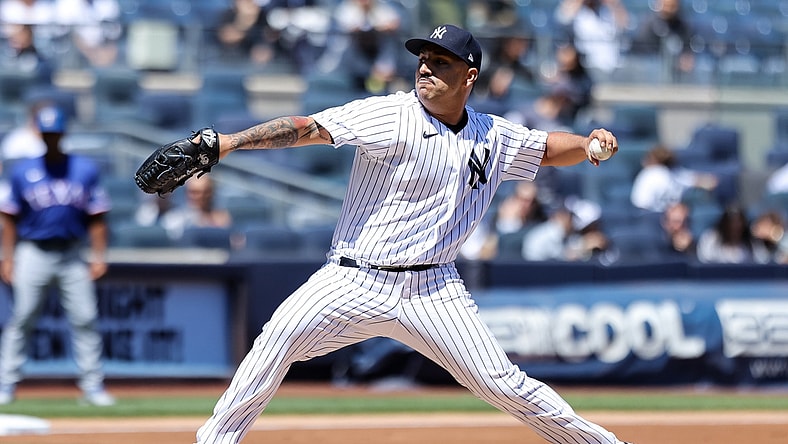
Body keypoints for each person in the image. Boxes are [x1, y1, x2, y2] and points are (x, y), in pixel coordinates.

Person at [176, 24, 628, 444]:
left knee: (505, 384)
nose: (426, 67)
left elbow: (547, 148)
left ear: (470, 76)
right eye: (423, 58)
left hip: (435, 289)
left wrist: (587, 144)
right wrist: (229, 142)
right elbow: (308, 127)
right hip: (353, 278)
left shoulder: (493, 135)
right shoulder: (390, 114)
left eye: (441, 61)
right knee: (276, 341)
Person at [0, 105, 114, 406]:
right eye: (46, 134)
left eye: (56, 133)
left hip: (72, 252)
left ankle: (92, 387)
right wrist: (7, 257)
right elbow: (9, 217)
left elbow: (97, 217)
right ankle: (6, 385)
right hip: (32, 251)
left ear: (63, 133)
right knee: (22, 318)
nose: (51, 139)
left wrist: (99, 255)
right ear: (39, 134)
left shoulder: (85, 169)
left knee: (85, 318)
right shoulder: (23, 170)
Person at [630, 143, 718, 213]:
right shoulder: (648, 175)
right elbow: (641, 205)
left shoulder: (676, 173)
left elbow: (709, 182)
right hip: (655, 217)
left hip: (673, 216)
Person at [554, 0, 630, 74]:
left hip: (612, 65)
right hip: (585, 67)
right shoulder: (576, 9)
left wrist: (613, 4)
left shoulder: (607, 9)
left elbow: (625, 24)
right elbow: (563, 18)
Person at [630, 0, 695, 78]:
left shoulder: (682, 26)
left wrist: (686, 59)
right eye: (666, 6)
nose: (668, 10)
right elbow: (640, 52)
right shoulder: (649, 24)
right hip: (649, 72)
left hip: (674, 74)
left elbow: (688, 49)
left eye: (672, 7)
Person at [159, 175, 232, 241]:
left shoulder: (221, 217)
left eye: (206, 192)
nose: (200, 196)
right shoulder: (175, 219)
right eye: (194, 192)